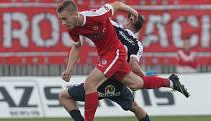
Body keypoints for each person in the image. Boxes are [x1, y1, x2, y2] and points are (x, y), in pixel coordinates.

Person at [57, 1, 189, 121]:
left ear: (74, 14)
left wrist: (134, 12)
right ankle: (171, 83)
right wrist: (68, 70)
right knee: (136, 84)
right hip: (108, 58)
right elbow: (76, 46)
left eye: (64, 19)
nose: (63, 23)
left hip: (115, 53)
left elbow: (118, 4)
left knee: (90, 83)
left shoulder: (97, 15)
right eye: (61, 19)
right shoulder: (72, 27)